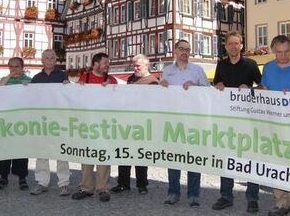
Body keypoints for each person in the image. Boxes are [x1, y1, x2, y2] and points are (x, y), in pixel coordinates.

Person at [211, 32, 262, 213]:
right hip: (227, 120)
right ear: (226, 47)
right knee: (226, 158)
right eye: (230, 44)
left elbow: (262, 86)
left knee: (251, 158)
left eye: (237, 43)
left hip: (248, 119)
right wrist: (217, 86)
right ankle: (226, 197)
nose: (233, 47)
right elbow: (217, 83)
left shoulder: (251, 64)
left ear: (241, 46)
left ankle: (252, 198)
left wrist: (250, 88)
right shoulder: (221, 64)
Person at [260, 35, 290, 216]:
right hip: (273, 122)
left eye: (286, 51)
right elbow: (264, 88)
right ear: (273, 50)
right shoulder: (268, 67)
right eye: (279, 52)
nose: (283, 55)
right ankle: (281, 201)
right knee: (277, 161)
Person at [160, 39, 210, 208]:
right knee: (174, 157)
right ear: (175, 51)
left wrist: (196, 86)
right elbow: (160, 95)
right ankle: (173, 192)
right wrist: (162, 86)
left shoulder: (197, 70)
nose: (185, 52)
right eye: (181, 49)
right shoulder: (166, 71)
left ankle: (194, 194)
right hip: (173, 121)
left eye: (188, 50)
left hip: (193, 120)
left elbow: (208, 92)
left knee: (193, 157)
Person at [71, 52, 118, 202]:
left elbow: (119, 102)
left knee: (103, 157)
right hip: (87, 125)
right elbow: (77, 99)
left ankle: (103, 188)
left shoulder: (111, 80)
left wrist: (111, 91)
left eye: (108, 63)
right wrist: (78, 89)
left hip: (105, 125)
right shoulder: (84, 79)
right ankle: (86, 188)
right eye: (105, 63)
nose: (107, 65)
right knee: (86, 156)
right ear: (96, 64)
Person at [110, 54, 158, 196]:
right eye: (134, 65)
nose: (135, 68)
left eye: (138, 65)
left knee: (141, 156)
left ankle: (142, 184)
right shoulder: (131, 78)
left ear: (146, 65)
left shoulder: (153, 82)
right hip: (127, 123)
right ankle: (123, 183)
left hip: (142, 125)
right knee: (123, 154)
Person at [30, 49, 71, 197]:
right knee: (41, 152)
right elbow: (30, 98)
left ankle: (64, 183)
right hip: (42, 121)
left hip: (59, 120)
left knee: (62, 151)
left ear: (55, 60)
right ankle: (42, 182)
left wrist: (69, 87)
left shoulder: (62, 76)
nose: (50, 60)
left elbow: (69, 95)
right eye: (47, 57)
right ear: (42, 60)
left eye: (52, 57)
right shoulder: (35, 78)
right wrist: (24, 90)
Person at [0, 57, 31, 191]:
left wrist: (27, 87)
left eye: (16, 67)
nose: (14, 69)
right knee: (4, 149)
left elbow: (34, 96)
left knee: (21, 150)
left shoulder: (28, 81)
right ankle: (3, 177)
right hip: (7, 120)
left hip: (22, 120)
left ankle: (22, 178)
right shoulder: (6, 80)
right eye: (11, 67)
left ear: (22, 67)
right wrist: (9, 76)